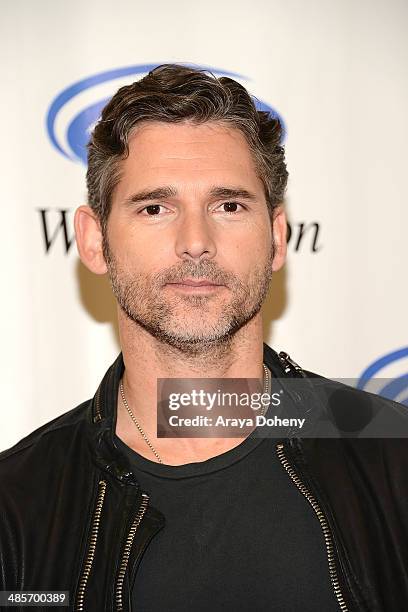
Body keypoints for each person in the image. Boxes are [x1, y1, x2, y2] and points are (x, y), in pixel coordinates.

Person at [0, 64, 407, 612]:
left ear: (277, 238)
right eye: (155, 208)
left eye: (229, 206)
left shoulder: (391, 454)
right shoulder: (17, 505)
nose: (196, 241)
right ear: (94, 242)